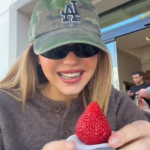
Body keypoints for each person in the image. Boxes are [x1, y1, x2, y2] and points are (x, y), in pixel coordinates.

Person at [0, 0, 150, 150]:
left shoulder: (115, 102)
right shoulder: (4, 107)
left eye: (85, 48)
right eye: (56, 48)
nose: (71, 61)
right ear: (36, 56)